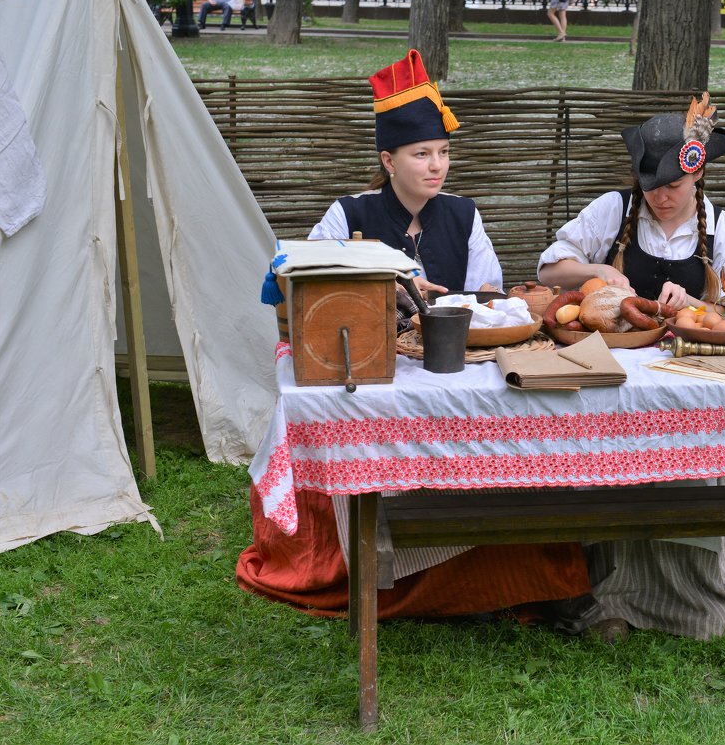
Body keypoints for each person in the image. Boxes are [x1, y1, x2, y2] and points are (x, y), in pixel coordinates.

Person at [237, 50, 600, 632]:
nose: (437, 166)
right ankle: (398, 568)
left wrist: (471, 299)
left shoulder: (462, 215)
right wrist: (379, 277)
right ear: (389, 159)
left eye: (444, 153)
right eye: (422, 154)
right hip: (373, 370)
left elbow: (489, 292)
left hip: (458, 367)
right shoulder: (349, 213)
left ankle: (499, 570)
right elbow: (291, 278)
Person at [538, 96, 725, 641]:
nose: (660, 198)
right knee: (603, 455)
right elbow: (549, 266)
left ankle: (693, 592)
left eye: (673, 187)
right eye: (650, 186)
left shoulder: (720, 226)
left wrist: (692, 301)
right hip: (610, 372)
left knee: (695, 458)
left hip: (685, 376)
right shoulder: (614, 210)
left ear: (698, 175)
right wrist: (596, 268)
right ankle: (609, 589)